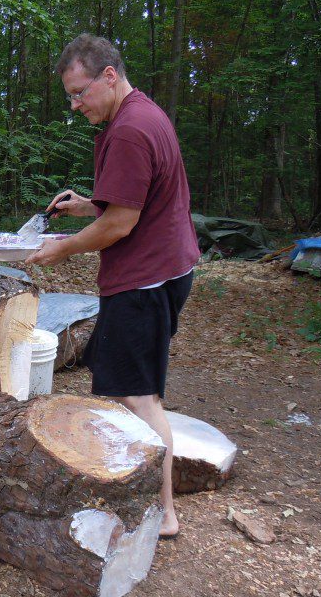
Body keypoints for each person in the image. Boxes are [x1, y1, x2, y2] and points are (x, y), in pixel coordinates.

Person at [26, 33, 200, 538]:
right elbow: (131, 200)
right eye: (70, 97)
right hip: (161, 268)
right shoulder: (138, 114)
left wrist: (61, 246)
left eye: (80, 92)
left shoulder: (130, 130)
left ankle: (163, 513)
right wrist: (87, 204)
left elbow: (120, 225)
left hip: (145, 279)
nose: (76, 105)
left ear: (109, 75)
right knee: (124, 386)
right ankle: (141, 495)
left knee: (137, 397)